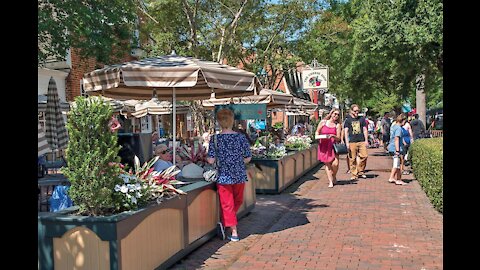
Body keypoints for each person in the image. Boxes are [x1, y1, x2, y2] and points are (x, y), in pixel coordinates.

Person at [207, 108, 252, 242]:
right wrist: (237, 161)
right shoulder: (241, 138)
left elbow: (211, 160)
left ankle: (225, 222)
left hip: (224, 176)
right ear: (232, 121)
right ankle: (234, 231)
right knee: (237, 201)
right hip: (238, 174)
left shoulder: (214, 139)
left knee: (228, 204)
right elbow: (248, 157)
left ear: (219, 122)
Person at [316, 108, 342, 188]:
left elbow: (338, 138)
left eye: (338, 114)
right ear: (331, 113)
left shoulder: (337, 125)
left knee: (335, 164)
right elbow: (317, 131)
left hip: (333, 146)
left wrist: (333, 136)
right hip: (324, 145)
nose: (336, 116)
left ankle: (334, 176)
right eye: (335, 114)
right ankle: (330, 181)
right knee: (327, 164)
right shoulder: (323, 122)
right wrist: (317, 136)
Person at [344, 104, 369, 180]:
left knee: (364, 156)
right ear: (351, 111)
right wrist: (347, 142)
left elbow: (365, 129)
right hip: (352, 141)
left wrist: (366, 140)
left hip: (361, 141)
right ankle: (354, 174)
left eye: (358, 111)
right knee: (352, 159)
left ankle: (361, 171)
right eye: (355, 111)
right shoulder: (348, 120)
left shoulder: (362, 119)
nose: (356, 112)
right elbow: (346, 132)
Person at [387, 114, 408, 185]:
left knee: (398, 165)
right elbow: (396, 139)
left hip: (392, 147)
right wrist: (397, 150)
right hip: (395, 148)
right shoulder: (398, 128)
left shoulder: (394, 126)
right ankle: (392, 177)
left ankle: (399, 179)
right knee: (396, 164)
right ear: (403, 120)